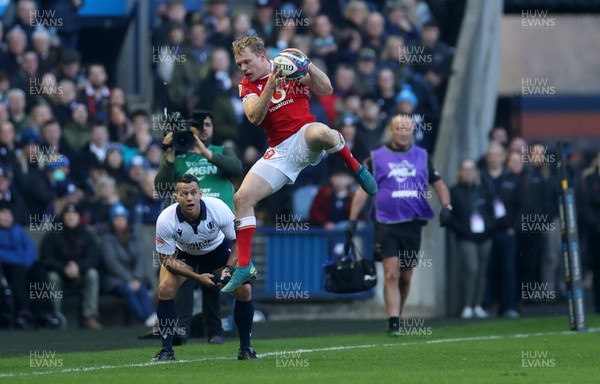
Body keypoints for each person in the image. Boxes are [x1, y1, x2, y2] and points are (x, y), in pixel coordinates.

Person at [223, 35, 377, 293]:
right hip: (279, 152)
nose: (243, 68)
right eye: (239, 64)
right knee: (242, 199)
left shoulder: (287, 66)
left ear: (262, 56)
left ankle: (357, 169)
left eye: (247, 62)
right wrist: (270, 86)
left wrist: (308, 65)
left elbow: (326, 89)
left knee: (322, 132)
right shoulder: (247, 86)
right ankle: (245, 266)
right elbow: (253, 116)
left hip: (304, 135)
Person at [345, 114, 451, 336]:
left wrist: (446, 207)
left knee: (405, 276)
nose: (403, 132)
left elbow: (438, 183)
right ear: (392, 131)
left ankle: (398, 315)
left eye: (407, 129)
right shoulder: (376, 158)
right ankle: (394, 321)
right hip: (386, 222)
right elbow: (362, 190)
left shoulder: (422, 156)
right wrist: (353, 220)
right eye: (399, 128)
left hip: (413, 223)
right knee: (391, 274)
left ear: (412, 131)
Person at [155, 110, 242, 345]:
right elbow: (161, 185)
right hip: (183, 224)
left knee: (214, 280)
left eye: (207, 124)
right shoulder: (179, 155)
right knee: (181, 278)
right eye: (197, 126)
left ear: (213, 128)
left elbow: (236, 168)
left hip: (217, 224)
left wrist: (206, 154)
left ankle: (214, 331)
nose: (203, 129)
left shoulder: (221, 152)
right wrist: (170, 151)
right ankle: (181, 329)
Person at [152, 174, 257, 361]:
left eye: (193, 192)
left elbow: (239, 241)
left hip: (217, 252)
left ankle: (246, 349)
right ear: (176, 197)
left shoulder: (218, 208)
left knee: (244, 290)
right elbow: (167, 260)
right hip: (184, 256)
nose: (190, 198)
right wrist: (197, 277)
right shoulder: (165, 219)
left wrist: (227, 268)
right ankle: (166, 351)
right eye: (184, 194)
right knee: (164, 289)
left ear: (200, 194)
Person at [445, 159, 496, 319]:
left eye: (471, 169)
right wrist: (463, 230)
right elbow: (449, 217)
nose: (469, 172)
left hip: (484, 236)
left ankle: (477, 304)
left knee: (482, 271)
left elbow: (494, 211)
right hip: (466, 236)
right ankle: (467, 305)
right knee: (471, 269)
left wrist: (489, 227)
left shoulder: (484, 189)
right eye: (465, 169)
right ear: (460, 172)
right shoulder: (454, 191)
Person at [40, 203, 103, 329]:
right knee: (51, 277)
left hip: (81, 275)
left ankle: (89, 316)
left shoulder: (87, 234)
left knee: (92, 274)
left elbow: (95, 258)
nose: (70, 217)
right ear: (63, 217)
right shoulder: (53, 234)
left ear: (79, 217)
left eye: (74, 215)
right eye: (68, 215)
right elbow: (46, 259)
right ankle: (55, 316)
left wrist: (78, 267)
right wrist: (63, 268)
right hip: (60, 274)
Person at [100, 204, 157, 326]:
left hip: (133, 277)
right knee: (128, 291)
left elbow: (140, 258)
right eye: (117, 219)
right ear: (112, 221)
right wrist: (130, 279)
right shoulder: (107, 239)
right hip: (115, 279)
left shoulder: (132, 237)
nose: (120, 222)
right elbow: (111, 263)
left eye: (123, 218)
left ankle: (152, 317)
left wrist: (136, 277)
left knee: (141, 288)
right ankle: (145, 320)